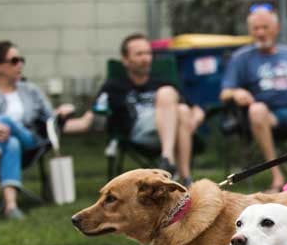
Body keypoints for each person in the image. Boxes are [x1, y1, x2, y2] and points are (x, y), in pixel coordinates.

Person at [68, 33, 204, 187]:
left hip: (172, 130)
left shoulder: (162, 81)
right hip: (139, 133)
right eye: (139, 54)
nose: (146, 58)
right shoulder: (113, 87)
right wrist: (54, 124)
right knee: (169, 96)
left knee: (183, 110)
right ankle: (183, 177)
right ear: (125, 60)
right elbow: (87, 121)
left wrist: (192, 121)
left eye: (148, 53)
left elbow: (197, 110)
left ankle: (173, 166)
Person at [220, 3, 287, 193]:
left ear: (276, 29)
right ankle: (277, 177)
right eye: (255, 29)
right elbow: (225, 92)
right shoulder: (241, 57)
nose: (260, 33)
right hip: (268, 115)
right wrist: (237, 93)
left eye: (265, 27)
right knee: (256, 110)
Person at [0, 40, 76, 219]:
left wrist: (60, 113)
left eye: (21, 60)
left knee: (4, 121)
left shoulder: (30, 90)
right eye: (14, 60)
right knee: (10, 142)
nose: (20, 64)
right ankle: (11, 206)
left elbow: (49, 117)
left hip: (28, 142)